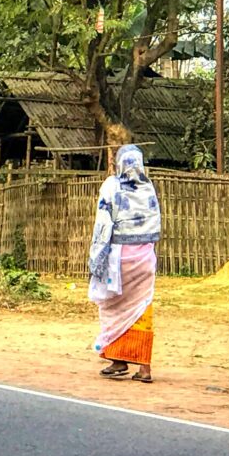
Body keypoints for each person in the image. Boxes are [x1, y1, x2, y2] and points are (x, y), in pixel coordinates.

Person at [88, 142, 161, 383]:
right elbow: (155, 224)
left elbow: (103, 223)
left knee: (112, 307)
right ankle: (144, 368)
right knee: (142, 308)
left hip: (120, 259)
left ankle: (118, 361)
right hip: (145, 259)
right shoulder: (148, 188)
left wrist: (97, 257)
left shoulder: (111, 186)